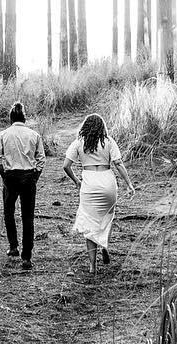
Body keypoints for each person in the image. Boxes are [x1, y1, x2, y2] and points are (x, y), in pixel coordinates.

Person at [62, 113, 135, 274]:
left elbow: (66, 165)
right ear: (102, 127)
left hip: (89, 185)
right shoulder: (109, 142)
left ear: (85, 127)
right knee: (107, 218)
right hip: (107, 183)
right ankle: (104, 246)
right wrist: (129, 184)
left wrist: (76, 181)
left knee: (89, 224)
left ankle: (92, 266)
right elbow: (118, 163)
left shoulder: (78, 143)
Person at [0, 101, 46, 270]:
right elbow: (41, 159)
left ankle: (13, 246)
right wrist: (35, 176)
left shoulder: (3, 135)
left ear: (10, 118)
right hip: (29, 176)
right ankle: (27, 257)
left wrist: (4, 176)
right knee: (28, 217)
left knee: (9, 212)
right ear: (24, 118)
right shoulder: (34, 135)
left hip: (10, 177)